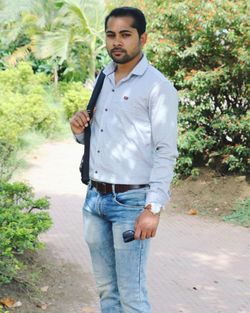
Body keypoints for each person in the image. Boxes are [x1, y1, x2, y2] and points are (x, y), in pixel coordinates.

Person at [70, 6, 178, 313]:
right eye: (111, 35)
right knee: (107, 292)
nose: (117, 42)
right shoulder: (103, 78)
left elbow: (165, 150)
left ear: (142, 38)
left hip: (131, 203)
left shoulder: (157, 87)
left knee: (132, 295)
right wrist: (78, 129)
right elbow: (99, 136)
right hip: (94, 200)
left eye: (125, 35)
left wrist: (153, 208)